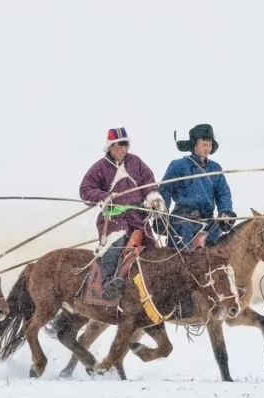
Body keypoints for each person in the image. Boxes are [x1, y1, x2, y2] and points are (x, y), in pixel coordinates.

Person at [79, 127, 167, 300]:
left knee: (150, 249)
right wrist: (104, 196)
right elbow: (85, 189)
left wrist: (153, 198)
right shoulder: (100, 167)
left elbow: (149, 181)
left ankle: (151, 287)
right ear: (110, 147)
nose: (123, 150)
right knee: (116, 244)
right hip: (113, 218)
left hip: (138, 216)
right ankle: (108, 283)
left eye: (125, 146)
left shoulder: (136, 162)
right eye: (119, 146)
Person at [158, 123, 236, 251]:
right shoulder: (178, 165)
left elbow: (223, 193)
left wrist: (225, 212)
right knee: (184, 259)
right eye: (204, 144)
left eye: (210, 145)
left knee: (216, 256)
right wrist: (161, 214)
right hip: (182, 220)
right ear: (195, 145)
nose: (207, 148)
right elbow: (165, 190)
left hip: (208, 221)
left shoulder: (215, 168)